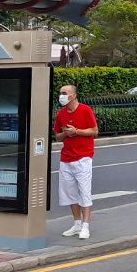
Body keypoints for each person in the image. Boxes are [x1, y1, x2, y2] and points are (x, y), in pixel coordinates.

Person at [54, 83, 98, 239]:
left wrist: (76, 131)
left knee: (84, 192)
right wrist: (66, 134)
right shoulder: (61, 114)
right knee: (70, 194)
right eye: (60, 93)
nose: (62, 96)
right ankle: (77, 224)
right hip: (66, 158)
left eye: (64, 93)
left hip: (83, 157)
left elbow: (94, 131)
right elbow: (57, 136)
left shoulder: (85, 110)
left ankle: (86, 226)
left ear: (73, 95)